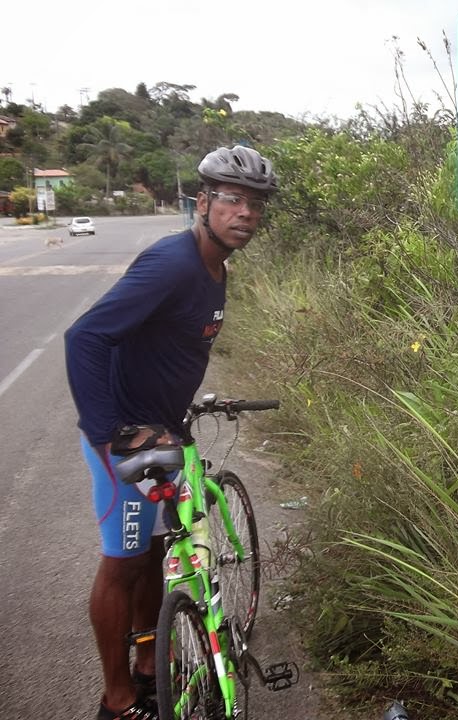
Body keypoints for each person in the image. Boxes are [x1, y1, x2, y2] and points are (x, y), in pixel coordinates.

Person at [64, 145, 278, 720]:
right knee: (124, 563)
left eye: (255, 205)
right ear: (202, 202)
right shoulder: (173, 263)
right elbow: (84, 339)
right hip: (125, 441)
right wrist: (112, 434)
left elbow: (171, 346)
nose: (245, 214)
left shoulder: (215, 270)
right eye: (232, 199)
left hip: (162, 433)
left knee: (156, 552)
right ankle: (117, 699)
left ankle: (151, 665)